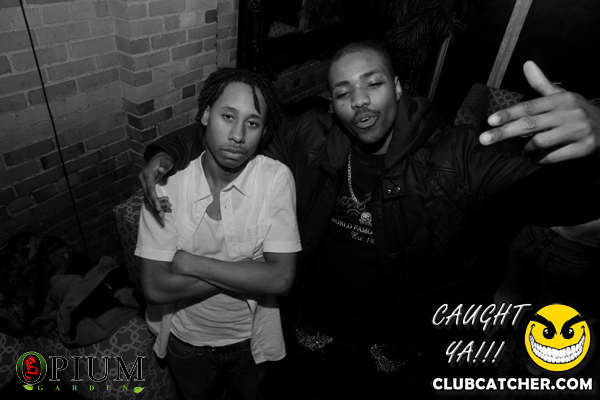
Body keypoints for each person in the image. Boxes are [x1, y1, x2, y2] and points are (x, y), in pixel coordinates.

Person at [140, 41, 600, 398]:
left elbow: (564, 199)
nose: (358, 101)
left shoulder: (454, 155)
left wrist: (596, 140)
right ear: (332, 102)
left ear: (397, 86)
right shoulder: (310, 138)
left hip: (394, 346)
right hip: (310, 332)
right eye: (343, 92)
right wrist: (167, 152)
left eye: (372, 84)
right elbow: (238, 135)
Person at [134, 68, 301, 400]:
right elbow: (154, 287)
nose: (238, 135)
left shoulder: (274, 179)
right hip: (186, 340)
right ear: (206, 115)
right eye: (228, 116)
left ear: (263, 131)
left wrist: (189, 263)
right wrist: (252, 270)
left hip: (249, 339)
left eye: (252, 123)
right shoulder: (166, 183)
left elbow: (281, 280)